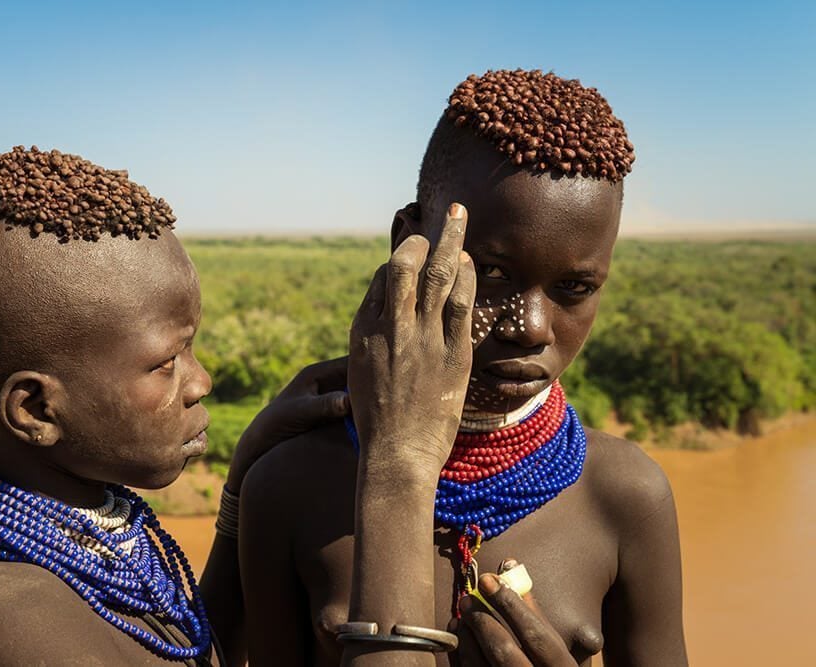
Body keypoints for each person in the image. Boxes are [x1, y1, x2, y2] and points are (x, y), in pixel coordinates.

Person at [239, 69, 688, 666]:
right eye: (493, 273)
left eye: (575, 287)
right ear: (408, 244)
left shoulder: (626, 495)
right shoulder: (288, 487)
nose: (531, 327)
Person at [0, 146, 360, 666]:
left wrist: (244, 475)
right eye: (165, 363)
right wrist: (400, 479)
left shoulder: (87, 558)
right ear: (36, 410)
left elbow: (194, 655)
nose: (201, 382)